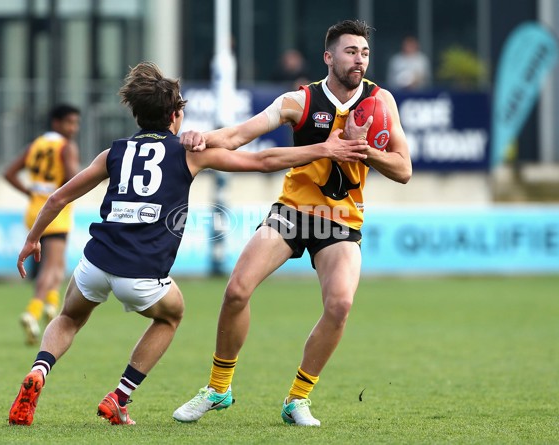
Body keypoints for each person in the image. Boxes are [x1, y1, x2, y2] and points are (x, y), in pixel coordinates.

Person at [7, 61, 369, 427]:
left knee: (68, 316)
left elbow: (57, 199)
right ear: (175, 115)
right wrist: (326, 149)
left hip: (96, 262)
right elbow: (264, 161)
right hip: (142, 274)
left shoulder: (113, 153)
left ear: (138, 114)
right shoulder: (188, 152)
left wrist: (31, 240)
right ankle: (119, 396)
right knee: (171, 315)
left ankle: (40, 370)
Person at [173, 19, 412, 427]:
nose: (360, 60)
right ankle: (218, 389)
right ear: (329, 56)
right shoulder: (299, 101)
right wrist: (200, 137)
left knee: (340, 305)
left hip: (340, 219)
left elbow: (404, 169)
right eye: (351, 51)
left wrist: (362, 150)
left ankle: (297, 399)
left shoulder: (381, 100)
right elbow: (237, 136)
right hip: (292, 211)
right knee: (236, 291)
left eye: (365, 53)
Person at [4, 104, 81, 345]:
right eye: (70, 122)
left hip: (35, 210)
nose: (74, 128)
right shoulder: (66, 147)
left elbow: (9, 173)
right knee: (52, 267)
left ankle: (51, 306)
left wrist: (31, 192)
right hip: (55, 212)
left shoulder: (36, 145)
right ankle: (33, 311)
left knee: (57, 264)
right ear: (56, 123)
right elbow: (72, 178)